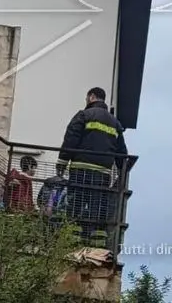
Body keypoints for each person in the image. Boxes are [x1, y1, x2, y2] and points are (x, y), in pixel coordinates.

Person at [58, 87, 127, 244]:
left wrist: (62, 162)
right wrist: (123, 171)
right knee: (98, 204)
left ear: (91, 97)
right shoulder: (115, 123)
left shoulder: (83, 115)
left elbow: (71, 138)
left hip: (80, 168)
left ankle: (72, 238)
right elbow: (121, 151)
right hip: (103, 172)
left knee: (76, 202)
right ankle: (98, 239)